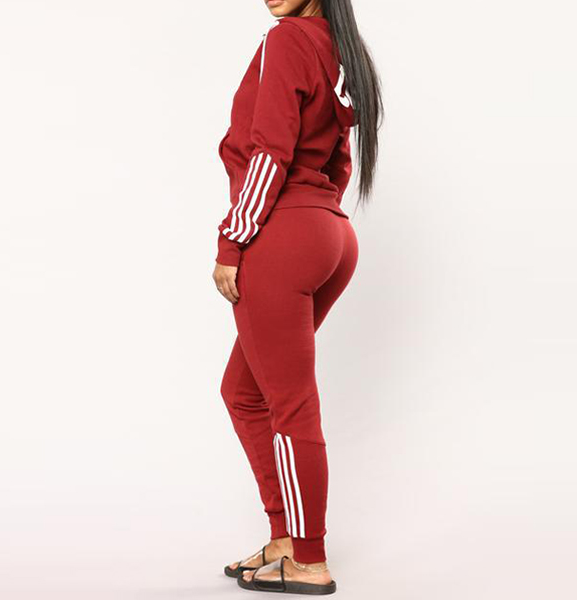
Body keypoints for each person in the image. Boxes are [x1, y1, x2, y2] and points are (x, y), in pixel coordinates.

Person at [212, 0, 383, 594]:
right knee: (244, 393)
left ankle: (309, 559)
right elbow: (340, 159)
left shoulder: (288, 39)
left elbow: (269, 150)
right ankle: (285, 538)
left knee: (290, 405)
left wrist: (234, 238)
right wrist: (319, 217)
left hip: (282, 235)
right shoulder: (341, 50)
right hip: (330, 232)